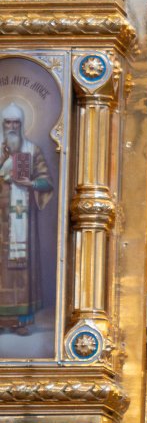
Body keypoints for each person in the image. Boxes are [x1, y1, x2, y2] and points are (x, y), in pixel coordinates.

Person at [0, 101, 52, 335]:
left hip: (21, 219)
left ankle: (20, 321)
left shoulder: (32, 150)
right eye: (7, 122)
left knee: (19, 269)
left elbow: (46, 181)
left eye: (16, 123)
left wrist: (30, 183)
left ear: (21, 125)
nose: (12, 126)